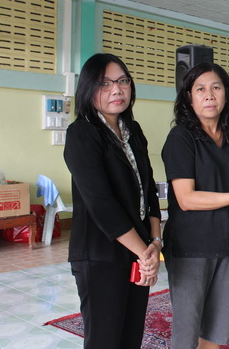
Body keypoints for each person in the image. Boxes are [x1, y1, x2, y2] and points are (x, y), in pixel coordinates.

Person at [161, 62, 229, 349]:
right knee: (188, 326)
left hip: (228, 239)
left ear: (226, 94)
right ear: (189, 97)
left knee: (217, 326)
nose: (209, 95)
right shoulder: (181, 137)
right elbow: (186, 198)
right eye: (200, 89)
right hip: (191, 244)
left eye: (216, 87)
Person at [64, 53, 162, 349]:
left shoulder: (134, 131)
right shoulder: (81, 133)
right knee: (105, 340)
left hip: (139, 250)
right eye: (104, 83)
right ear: (88, 89)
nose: (116, 90)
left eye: (122, 81)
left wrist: (155, 243)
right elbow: (100, 203)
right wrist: (145, 254)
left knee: (131, 337)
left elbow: (150, 190)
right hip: (100, 254)